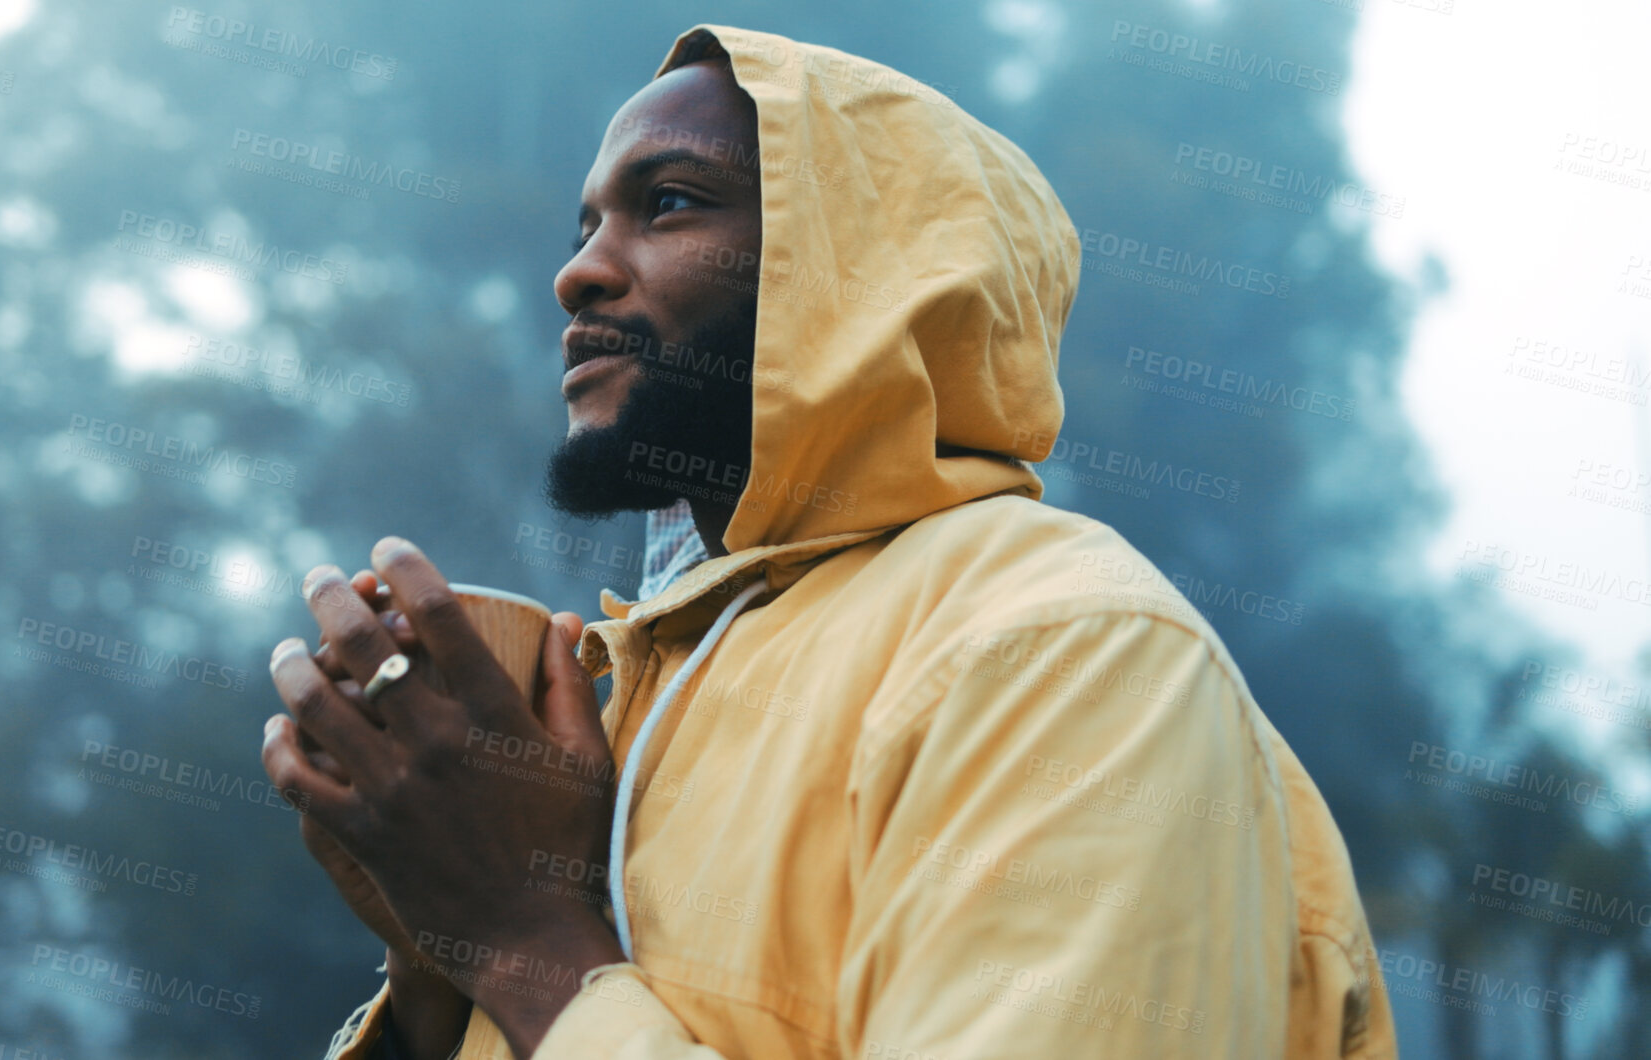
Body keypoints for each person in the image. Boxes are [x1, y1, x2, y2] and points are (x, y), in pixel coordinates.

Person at [261, 23, 1398, 1060]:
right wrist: (436, 953)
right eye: (587, 222)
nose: (579, 269)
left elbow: (553, 976)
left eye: (667, 203)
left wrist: (518, 934)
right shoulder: (634, 697)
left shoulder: (1066, 648)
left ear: (867, 273)